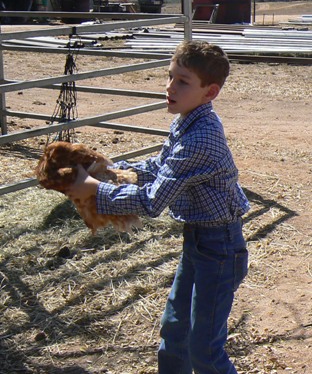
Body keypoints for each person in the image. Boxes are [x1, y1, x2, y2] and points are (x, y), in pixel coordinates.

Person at [67, 40, 250, 373]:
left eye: (182, 81)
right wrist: (113, 171)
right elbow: (160, 165)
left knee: (204, 350)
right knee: (175, 328)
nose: (169, 87)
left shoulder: (200, 139)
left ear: (209, 93)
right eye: (169, 76)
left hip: (220, 249)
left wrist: (96, 189)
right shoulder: (187, 121)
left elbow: (153, 202)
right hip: (199, 241)